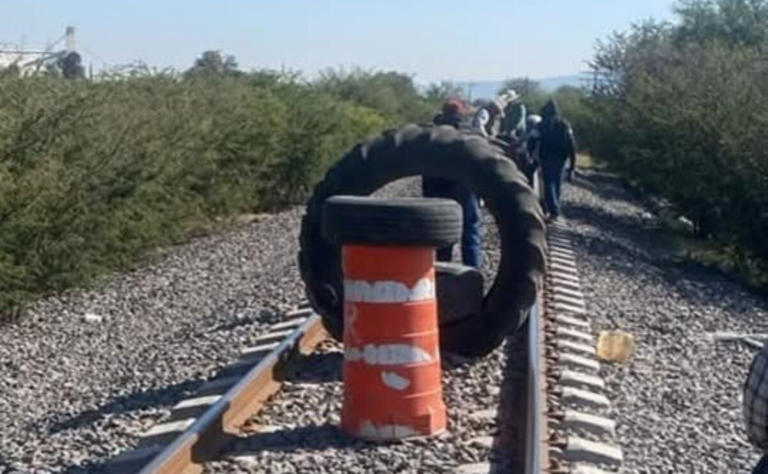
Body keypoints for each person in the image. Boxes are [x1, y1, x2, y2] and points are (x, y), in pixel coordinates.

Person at [423, 98, 483, 268]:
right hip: (465, 185)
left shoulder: (432, 132)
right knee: (470, 230)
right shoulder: (470, 132)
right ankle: (473, 270)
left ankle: (442, 270)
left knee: (443, 230)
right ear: (461, 112)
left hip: (438, 186)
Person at [536, 98, 576, 222]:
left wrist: (532, 155)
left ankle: (553, 211)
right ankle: (555, 208)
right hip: (561, 158)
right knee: (557, 183)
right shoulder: (565, 124)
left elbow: (532, 140)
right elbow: (571, 143)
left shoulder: (541, 124)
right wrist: (572, 165)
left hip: (546, 157)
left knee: (548, 184)